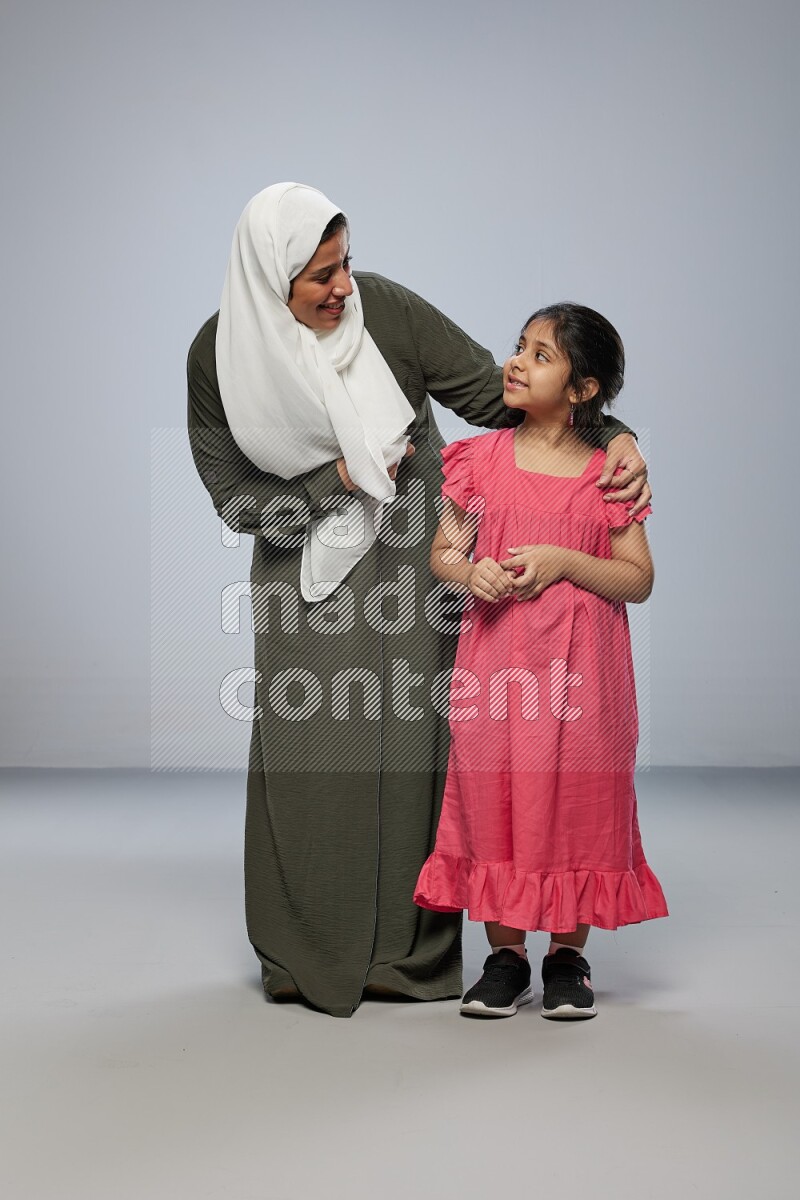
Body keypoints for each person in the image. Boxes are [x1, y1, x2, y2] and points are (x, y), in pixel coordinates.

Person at [187, 184, 651, 1018]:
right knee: (312, 760)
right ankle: (305, 950)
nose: (342, 289)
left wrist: (616, 438)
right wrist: (338, 478)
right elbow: (233, 496)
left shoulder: (387, 314)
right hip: (306, 581)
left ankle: (410, 957)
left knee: (417, 761)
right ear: (268, 282)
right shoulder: (217, 355)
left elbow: (504, 398)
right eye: (319, 277)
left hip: (422, 566)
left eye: (346, 265)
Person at [414, 303, 667, 1020]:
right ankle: (503, 956)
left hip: (587, 680)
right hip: (499, 670)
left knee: (576, 804)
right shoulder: (480, 459)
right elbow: (444, 553)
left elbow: (638, 579)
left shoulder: (605, 476)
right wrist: (471, 576)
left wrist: (562, 561)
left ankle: (565, 955)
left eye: (541, 354)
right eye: (519, 347)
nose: (517, 362)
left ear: (582, 389)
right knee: (494, 798)